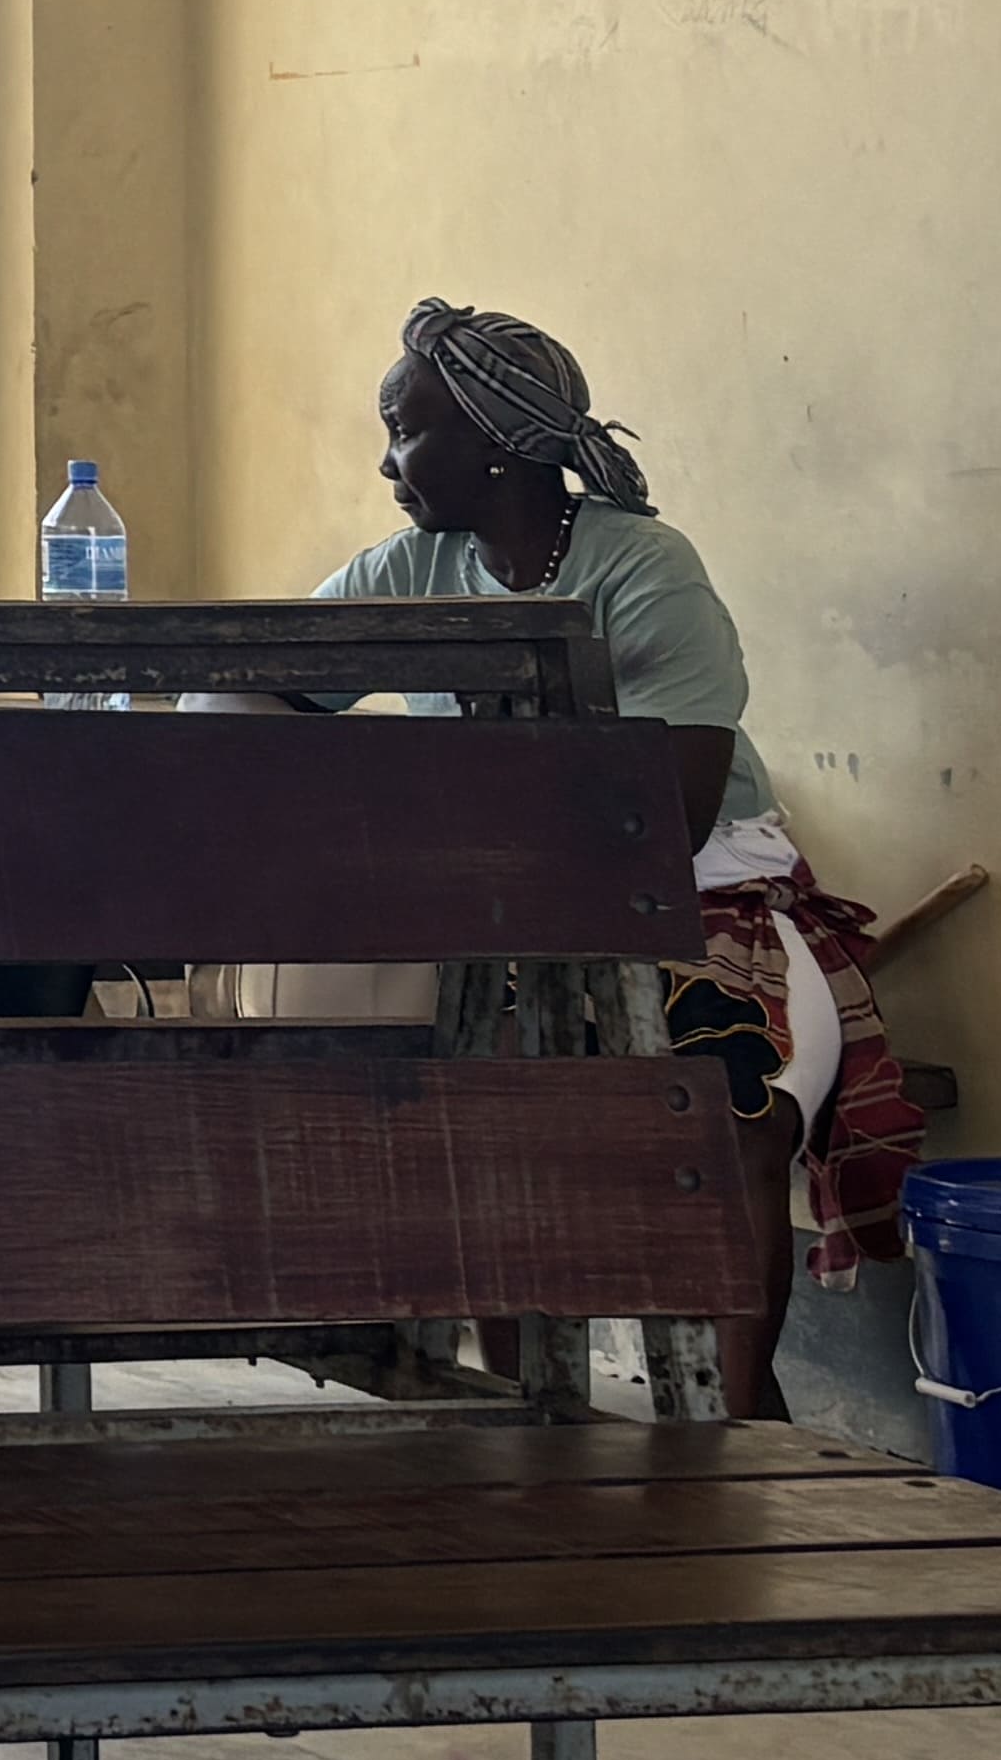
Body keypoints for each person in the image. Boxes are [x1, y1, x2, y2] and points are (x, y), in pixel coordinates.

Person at [311, 298, 921, 1418]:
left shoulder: (643, 568)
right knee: (479, 1120)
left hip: (704, 899)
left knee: (731, 1107)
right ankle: (525, 1418)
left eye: (406, 430)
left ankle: (738, 1431)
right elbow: (260, 689)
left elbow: (668, 821)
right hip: (515, 913)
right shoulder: (410, 567)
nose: (387, 462)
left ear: (495, 443)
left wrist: (452, 834)